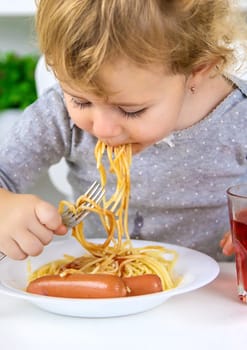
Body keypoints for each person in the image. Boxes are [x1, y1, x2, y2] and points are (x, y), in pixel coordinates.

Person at [0, 0, 246, 262]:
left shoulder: (238, 117)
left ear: (196, 70)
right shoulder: (58, 113)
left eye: (130, 110)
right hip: (103, 280)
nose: (103, 129)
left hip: (214, 290)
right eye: (81, 101)